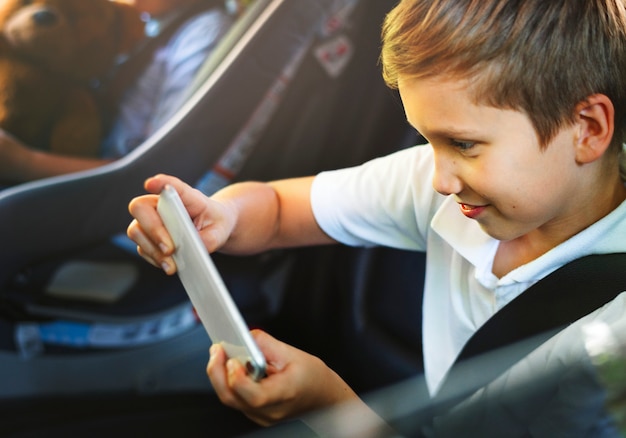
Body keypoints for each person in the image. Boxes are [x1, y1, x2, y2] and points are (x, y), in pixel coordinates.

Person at [126, 0, 626, 434]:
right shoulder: (449, 188)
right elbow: (280, 210)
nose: (438, 179)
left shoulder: (612, 335)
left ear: (587, 128)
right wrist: (222, 215)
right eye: (426, 140)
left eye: (463, 144)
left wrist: (328, 405)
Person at [0, 0, 232, 185]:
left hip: (105, 194)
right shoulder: (153, 23)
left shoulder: (205, 31)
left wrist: (25, 162)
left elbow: (161, 163)